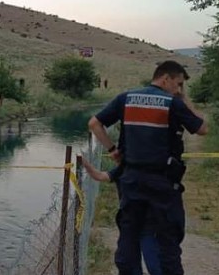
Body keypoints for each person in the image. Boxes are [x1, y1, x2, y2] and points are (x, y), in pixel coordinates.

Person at [88, 60, 207, 275]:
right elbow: (202, 129)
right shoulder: (172, 103)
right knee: (166, 243)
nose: (178, 89)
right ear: (165, 78)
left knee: (129, 239)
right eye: (178, 84)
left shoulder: (126, 98)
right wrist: (184, 99)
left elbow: (94, 124)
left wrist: (113, 150)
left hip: (131, 183)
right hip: (162, 184)